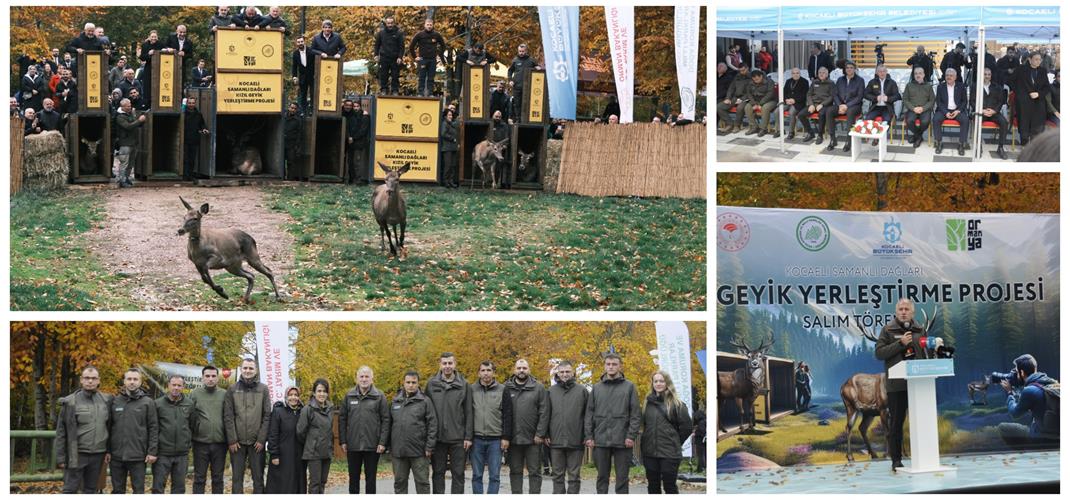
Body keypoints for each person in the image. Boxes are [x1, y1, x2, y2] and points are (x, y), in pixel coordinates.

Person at [875, 298, 927, 472]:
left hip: (919, 385)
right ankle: (896, 460)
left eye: (907, 309)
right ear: (896, 312)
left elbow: (924, 353)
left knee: (922, 421)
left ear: (912, 312)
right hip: (896, 386)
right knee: (896, 423)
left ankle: (924, 457)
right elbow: (879, 353)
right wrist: (900, 344)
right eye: (900, 309)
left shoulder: (920, 330)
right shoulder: (888, 330)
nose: (903, 312)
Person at [585, 353, 641, 494]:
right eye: (608, 364)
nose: (611, 367)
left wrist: (631, 436)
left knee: (622, 478)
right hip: (600, 440)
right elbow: (589, 414)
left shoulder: (629, 387)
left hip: (623, 441)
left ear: (619, 366)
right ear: (604, 366)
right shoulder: (596, 388)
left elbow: (635, 414)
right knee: (602, 477)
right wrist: (589, 436)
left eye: (614, 364)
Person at [56, 366, 112, 494]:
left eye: (93, 378)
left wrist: (109, 450)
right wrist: (60, 457)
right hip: (76, 454)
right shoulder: (70, 402)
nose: (90, 381)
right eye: (87, 378)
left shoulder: (107, 400)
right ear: (81, 380)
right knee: (70, 489)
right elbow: (61, 432)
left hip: (98, 454)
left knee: (91, 489)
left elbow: (110, 427)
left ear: (99, 380)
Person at [425, 352, 473, 494]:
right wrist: (428, 437)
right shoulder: (431, 384)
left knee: (458, 474)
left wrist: (468, 437)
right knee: (438, 473)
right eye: (444, 363)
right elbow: (425, 411)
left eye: (450, 363)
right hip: (438, 438)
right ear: (440, 365)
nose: (447, 366)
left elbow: (469, 411)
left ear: (455, 364)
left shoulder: (464, 385)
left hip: (458, 438)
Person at [224, 358, 272, 494]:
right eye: (245, 368)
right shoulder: (232, 389)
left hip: (256, 443)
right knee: (237, 479)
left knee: (258, 479)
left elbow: (267, 415)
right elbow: (228, 416)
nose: (248, 371)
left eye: (251, 368)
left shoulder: (263, 389)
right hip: (237, 443)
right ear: (241, 369)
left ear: (255, 370)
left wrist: (262, 439)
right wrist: (232, 440)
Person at [641, 371, 693, 494]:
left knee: (669, 486)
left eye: (662, 381)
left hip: (669, 454)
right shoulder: (647, 404)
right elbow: (645, 425)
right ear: (652, 384)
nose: (658, 384)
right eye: (656, 381)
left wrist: (674, 441)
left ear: (667, 383)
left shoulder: (676, 404)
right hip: (650, 453)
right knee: (653, 487)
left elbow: (687, 427)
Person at [340, 366, 389, 494]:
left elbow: (386, 420)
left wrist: (382, 442)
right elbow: (342, 419)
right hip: (353, 445)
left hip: (373, 445)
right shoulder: (349, 396)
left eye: (367, 376)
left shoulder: (379, 396)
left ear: (372, 379)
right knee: (353, 479)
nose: (364, 379)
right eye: (361, 376)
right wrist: (343, 441)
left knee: (371, 480)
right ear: (357, 378)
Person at [109, 368, 159, 494]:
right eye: (129, 379)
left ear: (140, 382)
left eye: (135, 379)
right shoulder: (115, 401)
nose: (132, 382)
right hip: (116, 456)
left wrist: (152, 451)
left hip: (138, 456)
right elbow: (109, 427)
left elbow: (153, 427)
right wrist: (107, 450)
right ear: (124, 381)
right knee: (117, 491)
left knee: (138, 490)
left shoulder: (148, 402)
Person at [468, 361, 514, 494]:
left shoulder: (503, 389)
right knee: (477, 475)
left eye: (488, 370)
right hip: (476, 439)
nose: (486, 373)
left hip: (496, 440)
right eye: (483, 370)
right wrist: (468, 437)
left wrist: (506, 437)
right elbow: (467, 414)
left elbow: (508, 415)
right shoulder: (471, 389)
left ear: (493, 373)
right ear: (479, 373)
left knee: (494, 476)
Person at [504, 359, 549, 494]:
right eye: (519, 368)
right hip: (513, 439)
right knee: (515, 471)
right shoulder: (506, 387)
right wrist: (505, 436)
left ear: (529, 369)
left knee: (535, 472)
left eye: (524, 368)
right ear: (514, 370)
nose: (521, 370)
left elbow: (544, 412)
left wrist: (540, 434)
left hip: (533, 439)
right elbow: (503, 413)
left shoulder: (539, 387)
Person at [390, 371, 438, 494]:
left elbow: (432, 424)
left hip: (419, 451)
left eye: (413, 382)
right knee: (399, 483)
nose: (411, 385)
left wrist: (429, 446)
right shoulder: (395, 401)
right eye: (408, 382)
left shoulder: (425, 401)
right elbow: (388, 424)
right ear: (403, 383)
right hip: (399, 451)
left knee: (422, 483)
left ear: (418, 384)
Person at [997, 354, 1060, 447]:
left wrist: (1010, 393)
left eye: (1017, 372)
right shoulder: (1051, 382)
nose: (1016, 375)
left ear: (1022, 372)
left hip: (1041, 438)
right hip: (1058, 435)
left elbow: (1015, 413)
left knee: (1003, 427)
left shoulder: (1029, 390)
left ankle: (1029, 450)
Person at [547, 360, 586, 494]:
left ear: (573, 372)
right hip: (555, 440)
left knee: (574, 476)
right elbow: (546, 414)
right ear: (558, 373)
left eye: (567, 371)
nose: (565, 374)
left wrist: (587, 435)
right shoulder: (551, 391)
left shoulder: (582, 391)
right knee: (557, 475)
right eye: (562, 372)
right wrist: (546, 433)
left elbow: (588, 415)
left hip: (576, 439)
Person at [153, 375, 195, 494]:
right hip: (162, 454)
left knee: (179, 489)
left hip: (182, 454)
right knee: (158, 488)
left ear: (183, 387)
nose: (176, 388)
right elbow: (154, 428)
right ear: (168, 385)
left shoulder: (189, 404)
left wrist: (187, 444)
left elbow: (192, 426)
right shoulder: (158, 404)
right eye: (173, 385)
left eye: (179, 385)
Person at [190, 365, 228, 494]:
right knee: (199, 478)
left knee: (218, 479)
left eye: (213, 376)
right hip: (200, 444)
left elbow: (229, 416)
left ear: (218, 378)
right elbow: (190, 417)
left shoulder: (224, 394)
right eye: (207, 376)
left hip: (220, 444)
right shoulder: (195, 394)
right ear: (202, 378)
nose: (210, 379)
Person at [297, 379, 334, 494]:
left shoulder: (330, 409)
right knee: (315, 483)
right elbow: (300, 432)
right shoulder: (307, 409)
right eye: (319, 391)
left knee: (323, 482)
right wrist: (311, 442)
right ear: (314, 393)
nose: (322, 394)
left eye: (324, 391)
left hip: (326, 452)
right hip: (313, 453)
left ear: (327, 393)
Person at [267, 386, 306, 494]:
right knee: (283, 484)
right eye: (291, 395)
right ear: (286, 396)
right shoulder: (278, 411)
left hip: (298, 455)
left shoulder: (302, 412)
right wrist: (274, 454)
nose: (293, 397)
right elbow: (273, 434)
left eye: (296, 395)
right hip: (282, 456)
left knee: (297, 482)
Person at [1013, 51, 1052, 147]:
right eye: (1036, 59)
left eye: (1040, 59)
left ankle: (1034, 148)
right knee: (1024, 126)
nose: (1038, 61)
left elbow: (1047, 87)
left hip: (1038, 103)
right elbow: (1011, 81)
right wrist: (1020, 94)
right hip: (1024, 103)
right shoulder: (1021, 69)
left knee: (1037, 128)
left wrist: (1038, 94)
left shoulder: (1042, 71)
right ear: (1030, 60)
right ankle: (1024, 147)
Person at [827, 61, 865, 152]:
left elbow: (859, 97)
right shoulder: (840, 80)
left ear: (854, 69)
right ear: (845, 69)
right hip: (840, 105)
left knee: (850, 112)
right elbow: (835, 94)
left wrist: (846, 106)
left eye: (851, 67)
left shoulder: (860, 80)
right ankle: (833, 139)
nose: (849, 69)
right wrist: (840, 105)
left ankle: (848, 140)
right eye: (847, 68)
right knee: (829, 111)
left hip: (854, 106)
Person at [934, 67, 970, 156]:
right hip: (944, 110)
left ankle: (961, 144)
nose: (948, 77)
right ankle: (938, 142)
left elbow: (964, 101)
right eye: (947, 75)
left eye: (951, 75)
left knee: (965, 120)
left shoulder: (961, 86)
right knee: (936, 119)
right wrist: (945, 112)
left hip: (957, 110)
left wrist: (958, 111)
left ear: (955, 77)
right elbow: (938, 102)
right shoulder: (940, 87)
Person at [863, 64, 900, 146]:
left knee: (886, 121)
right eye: (880, 71)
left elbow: (897, 96)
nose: (882, 73)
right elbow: (865, 94)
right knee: (868, 119)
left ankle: (878, 138)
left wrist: (888, 99)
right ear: (877, 72)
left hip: (887, 107)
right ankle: (873, 134)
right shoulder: (872, 82)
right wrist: (875, 98)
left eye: (884, 71)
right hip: (875, 107)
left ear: (886, 72)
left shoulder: (892, 82)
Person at [409, 18, 448, 97]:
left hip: (432, 60)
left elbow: (443, 46)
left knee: (431, 77)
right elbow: (411, 46)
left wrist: (439, 54)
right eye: (428, 25)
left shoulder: (437, 35)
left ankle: (430, 93)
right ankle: (420, 93)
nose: (429, 26)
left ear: (433, 25)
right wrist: (415, 57)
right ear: (424, 25)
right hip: (422, 59)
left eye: (430, 25)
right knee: (421, 77)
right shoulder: (419, 35)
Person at [113, 98, 146, 188]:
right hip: (125, 143)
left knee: (131, 163)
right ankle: (122, 180)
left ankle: (126, 178)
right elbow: (128, 126)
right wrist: (139, 120)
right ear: (122, 107)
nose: (130, 107)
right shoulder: (119, 117)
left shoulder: (130, 114)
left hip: (133, 142)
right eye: (128, 106)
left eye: (130, 105)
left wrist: (140, 120)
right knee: (124, 163)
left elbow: (136, 124)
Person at [979, 67, 1010, 159]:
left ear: (991, 76)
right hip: (981, 111)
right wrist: (982, 110)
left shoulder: (997, 87)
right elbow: (973, 101)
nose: (987, 76)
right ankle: (979, 146)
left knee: (1004, 122)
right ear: (982, 75)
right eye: (985, 74)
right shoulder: (976, 86)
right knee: (976, 120)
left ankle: (1000, 147)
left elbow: (1000, 101)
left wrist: (994, 111)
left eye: (988, 74)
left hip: (994, 112)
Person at [902, 66, 936, 149]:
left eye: (920, 73)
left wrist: (923, 108)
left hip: (924, 109)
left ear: (924, 75)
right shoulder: (909, 85)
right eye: (916, 74)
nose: (918, 75)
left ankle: (916, 136)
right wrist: (913, 108)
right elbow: (905, 99)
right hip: (912, 109)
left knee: (925, 121)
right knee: (909, 121)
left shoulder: (928, 86)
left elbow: (932, 100)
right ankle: (919, 137)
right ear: (913, 75)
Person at [508, 44, 542, 121]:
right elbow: (510, 71)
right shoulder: (515, 60)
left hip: (528, 87)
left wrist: (538, 67)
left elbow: (538, 67)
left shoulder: (531, 60)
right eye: (520, 51)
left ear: (526, 51)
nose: (521, 53)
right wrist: (510, 80)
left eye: (523, 51)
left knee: (527, 103)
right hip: (517, 86)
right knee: (517, 103)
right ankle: (518, 120)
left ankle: (527, 119)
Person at [374, 16, 405, 95]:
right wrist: (376, 55)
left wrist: (400, 57)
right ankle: (384, 89)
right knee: (383, 75)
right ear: (386, 23)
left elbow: (402, 47)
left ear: (394, 23)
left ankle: (395, 90)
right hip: (384, 57)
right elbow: (377, 45)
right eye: (388, 23)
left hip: (395, 58)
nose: (390, 25)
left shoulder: (399, 33)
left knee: (395, 75)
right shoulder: (381, 33)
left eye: (391, 23)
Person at [717, 63, 750, 134]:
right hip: (735, 97)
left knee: (740, 108)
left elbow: (751, 91)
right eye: (740, 71)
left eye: (743, 70)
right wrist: (728, 98)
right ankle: (730, 124)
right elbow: (731, 88)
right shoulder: (737, 76)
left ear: (747, 68)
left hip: (746, 99)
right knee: (719, 107)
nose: (741, 72)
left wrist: (742, 99)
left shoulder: (751, 77)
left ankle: (737, 126)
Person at [805, 66, 834, 145]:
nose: (821, 74)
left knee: (821, 114)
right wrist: (811, 104)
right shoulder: (814, 82)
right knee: (801, 114)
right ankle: (810, 132)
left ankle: (820, 135)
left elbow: (832, 97)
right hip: (813, 104)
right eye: (820, 73)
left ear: (827, 74)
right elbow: (809, 94)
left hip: (825, 105)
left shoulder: (831, 83)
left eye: (823, 72)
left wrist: (822, 104)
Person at [743, 70, 776, 138]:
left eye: (757, 79)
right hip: (756, 101)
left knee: (765, 108)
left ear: (761, 76)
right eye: (754, 79)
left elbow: (770, 94)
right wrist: (753, 104)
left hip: (770, 100)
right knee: (747, 107)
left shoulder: (769, 81)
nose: (755, 80)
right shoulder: (751, 82)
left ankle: (763, 129)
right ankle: (754, 127)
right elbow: (749, 94)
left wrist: (760, 104)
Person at [183, 95, 209, 179]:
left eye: (193, 103)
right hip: (185, 139)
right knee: (185, 159)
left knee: (192, 159)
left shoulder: (198, 114)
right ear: (187, 103)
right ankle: (185, 176)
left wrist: (204, 129)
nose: (191, 104)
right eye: (190, 103)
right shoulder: (183, 113)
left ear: (195, 103)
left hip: (194, 139)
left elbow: (202, 124)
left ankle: (190, 175)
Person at [783, 68, 811, 141]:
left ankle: (791, 132)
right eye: (794, 73)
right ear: (791, 74)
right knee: (778, 110)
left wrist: (794, 100)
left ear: (800, 73)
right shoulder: (788, 81)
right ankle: (780, 130)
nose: (795, 74)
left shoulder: (804, 82)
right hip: (788, 102)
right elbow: (784, 92)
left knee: (791, 112)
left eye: (797, 73)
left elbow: (804, 95)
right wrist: (786, 99)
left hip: (799, 103)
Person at [138, 30, 165, 104]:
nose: (154, 38)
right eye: (152, 37)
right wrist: (149, 54)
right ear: (149, 37)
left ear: (157, 37)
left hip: (159, 67)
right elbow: (142, 57)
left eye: (155, 37)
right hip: (149, 67)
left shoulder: (161, 44)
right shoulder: (145, 45)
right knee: (148, 86)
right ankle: (147, 102)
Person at [291, 36, 313, 113]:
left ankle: (312, 110)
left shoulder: (311, 51)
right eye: (298, 42)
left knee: (313, 94)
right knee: (303, 95)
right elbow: (294, 66)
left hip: (312, 76)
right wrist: (294, 77)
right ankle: (302, 111)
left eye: (301, 41)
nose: (300, 43)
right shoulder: (295, 53)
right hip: (302, 77)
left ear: (304, 42)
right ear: (296, 43)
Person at [440, 108, 460, 189]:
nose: (450, 116)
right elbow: (443, 134)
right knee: (447, 166)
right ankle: (445, 181)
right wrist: (452, 139)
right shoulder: (445, 123)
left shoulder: (452, 124)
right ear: (445, 116)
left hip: (453, 148)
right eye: (449, 115)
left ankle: (451, 181)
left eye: (451, 115)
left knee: (453, 165)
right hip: (447, 148)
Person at [283, 102, 303, 176]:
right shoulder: (283, 117)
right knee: (281, 162)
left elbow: (299, 133)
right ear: (289, 108)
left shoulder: (298, 120)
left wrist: (297, 145)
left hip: (291, 144)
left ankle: (290, 178)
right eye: (292, 108)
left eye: (295, 108)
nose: (293, 110)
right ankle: (282, 177)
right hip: (282, 142)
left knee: (291, 162)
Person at [691, 403, 707, 473]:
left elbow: (701, 431)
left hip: (700, 440)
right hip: (704, 439)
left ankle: (701, 468)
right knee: (704, 454)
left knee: (700, 454)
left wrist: (695, 433)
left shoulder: (700, 422)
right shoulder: (704, 418)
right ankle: (702, 467)